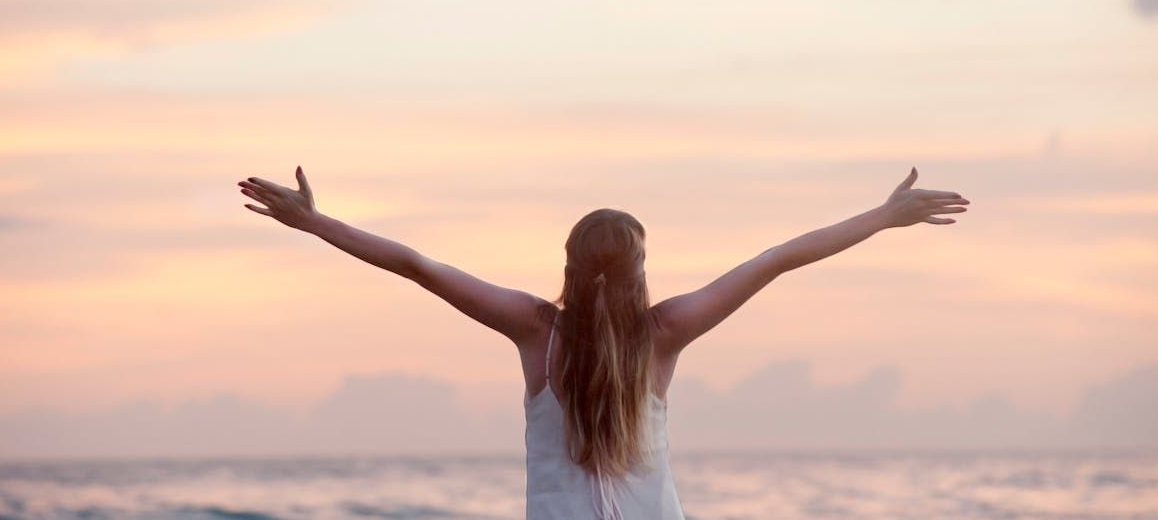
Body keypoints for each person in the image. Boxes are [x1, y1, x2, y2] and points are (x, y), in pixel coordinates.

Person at [237, 165, 969, 519]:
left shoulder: (535, 330)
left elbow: (418, 266)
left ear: (570, 263)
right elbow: (777, 258)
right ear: (640, 269)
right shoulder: (667, 332)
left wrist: (315, 224)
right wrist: (881, 216)